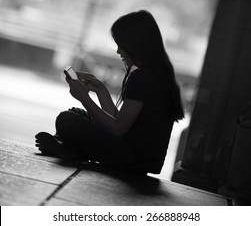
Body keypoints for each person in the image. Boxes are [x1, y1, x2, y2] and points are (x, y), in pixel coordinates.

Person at [35, 10, 184, 175]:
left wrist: (84, 98)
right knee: (75, 113)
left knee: (67, 119)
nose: (118, 51)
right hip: (142, 159)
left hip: (131, 159)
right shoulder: (158, 74)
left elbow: (118, 129)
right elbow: (122, 122)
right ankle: (67, 148)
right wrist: (100, 90)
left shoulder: (142, 77)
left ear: (135, 44)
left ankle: (68, 149)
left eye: (121, 44)